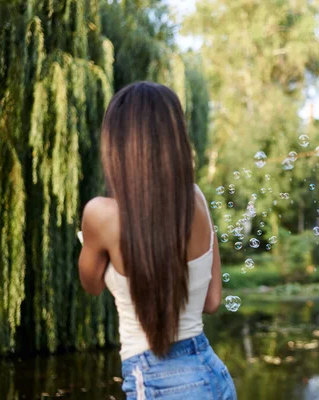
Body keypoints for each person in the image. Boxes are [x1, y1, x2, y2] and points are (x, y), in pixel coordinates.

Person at [78, 82, 237, 399]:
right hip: (212, 372)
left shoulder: (100, 215)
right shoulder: (196, 199)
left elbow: (91, 285)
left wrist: (92, 245)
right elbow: (212, 301)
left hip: (158, 380)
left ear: (117, 142)